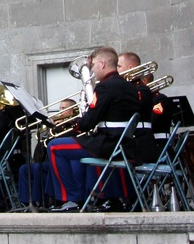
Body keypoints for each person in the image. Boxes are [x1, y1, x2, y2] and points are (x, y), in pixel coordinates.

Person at [47, 47, 154, 211]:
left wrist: (73, 124)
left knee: (54, 147)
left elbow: (89, 122)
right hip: (125, 145)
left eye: (94, 65)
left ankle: (72, 199)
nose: (92, 70)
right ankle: (106, 198)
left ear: (102, 64)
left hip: (108, 144)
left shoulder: (104, 87)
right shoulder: (131, 87)